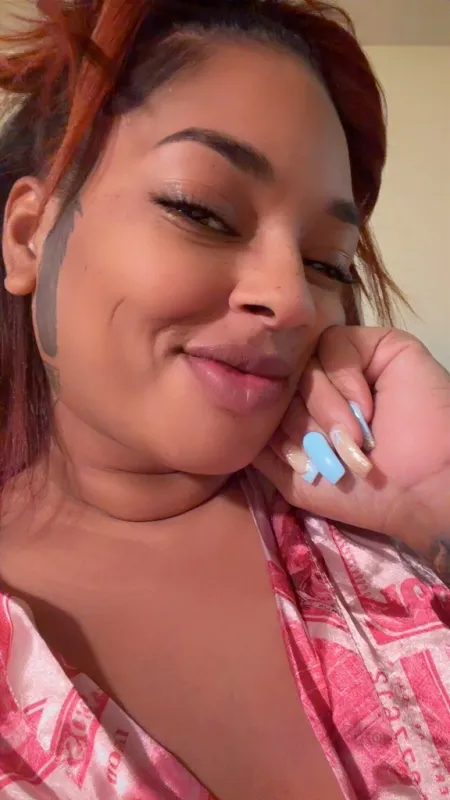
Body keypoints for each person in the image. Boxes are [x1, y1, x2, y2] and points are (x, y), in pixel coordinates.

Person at [0, 0, 449, 797]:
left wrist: (436, 499)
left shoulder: (389, 528)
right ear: (29, 233)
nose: (294, 300)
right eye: (200, 210)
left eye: (328, 263)